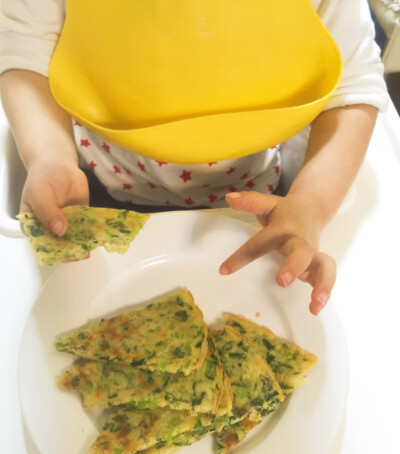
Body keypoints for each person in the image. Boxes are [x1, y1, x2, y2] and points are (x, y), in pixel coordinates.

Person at [0, 0, 388, 315]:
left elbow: (353, 86)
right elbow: (25, 48)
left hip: (257, 205)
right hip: (95, 183)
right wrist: (49, 153)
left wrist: (311, 205)